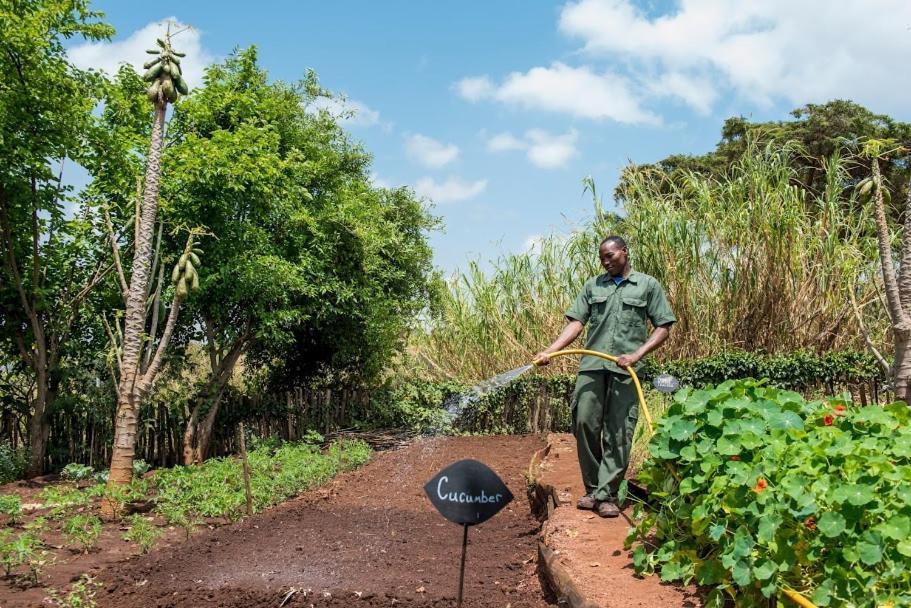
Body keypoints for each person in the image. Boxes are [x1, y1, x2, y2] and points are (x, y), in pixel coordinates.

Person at [534, 236, 675, 518]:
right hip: (592, 366)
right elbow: (576, 323)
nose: (606, 261)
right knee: (584, 421)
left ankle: (607, 494)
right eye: (602, 258)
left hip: (627, 370)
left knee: (620, 431)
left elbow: (663, 326)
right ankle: (592, 488)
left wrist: (637, 354)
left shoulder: (647, 285)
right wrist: (550, 351)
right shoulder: (593, 286)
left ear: (624, 252)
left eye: (610, 255)